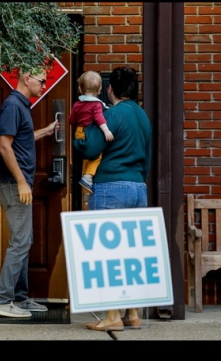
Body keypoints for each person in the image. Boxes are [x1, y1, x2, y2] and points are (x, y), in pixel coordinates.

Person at [73, 66, 152, 331]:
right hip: (138, 186)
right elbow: (148, 158)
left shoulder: (113, 114)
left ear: (110, 89)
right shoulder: (143, 117)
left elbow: (92, 147)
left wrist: (78, 139)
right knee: (131, 254)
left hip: (110, 188)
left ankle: (112, 317)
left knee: (107, 254)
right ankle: (132, 314)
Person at [0, 68, 59, 318]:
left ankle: (19, 298)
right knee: (20, 241)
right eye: (41, 80)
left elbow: (21, 139)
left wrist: (46, 131)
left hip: (16, 183)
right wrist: (21, 181)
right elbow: (4, 145)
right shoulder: (12, 105)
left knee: (24, 240)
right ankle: (2, 300)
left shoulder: (21, 105)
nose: (43, 85)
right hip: (12, 183)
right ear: (27, 78)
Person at [69, 70, 114, 194]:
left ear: (79, 88)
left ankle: (85, 177)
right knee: (96, 155)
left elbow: (72, 119)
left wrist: (75, 128)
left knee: (86, 157)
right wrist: (106, 131)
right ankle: (88, 177)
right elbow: (99, 118)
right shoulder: (96, 105)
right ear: (99, 89)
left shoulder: (77, 104)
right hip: (90, 133)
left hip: (79, 131)